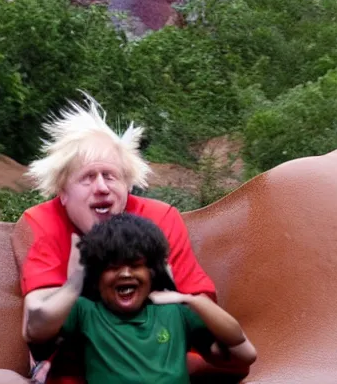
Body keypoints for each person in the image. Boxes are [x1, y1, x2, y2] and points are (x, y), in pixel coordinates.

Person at [16, 94, 218, 383]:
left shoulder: (160, 219)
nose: (101, 188)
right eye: (87, 178)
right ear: (62, 192)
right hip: (83, 358)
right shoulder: (43, 222)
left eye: (110, 176)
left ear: (127, 184)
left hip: (161, 349)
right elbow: (36, 322)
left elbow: (199, 308)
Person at [26, 214, 257, 384]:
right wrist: (77, 280)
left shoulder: (175, 311)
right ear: (97, 275)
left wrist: (195, 300)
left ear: (152, 272)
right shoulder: (86, 311)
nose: (125, 273)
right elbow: (36, 330)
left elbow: (245, 353)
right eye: (113, 267)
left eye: (136, 265)